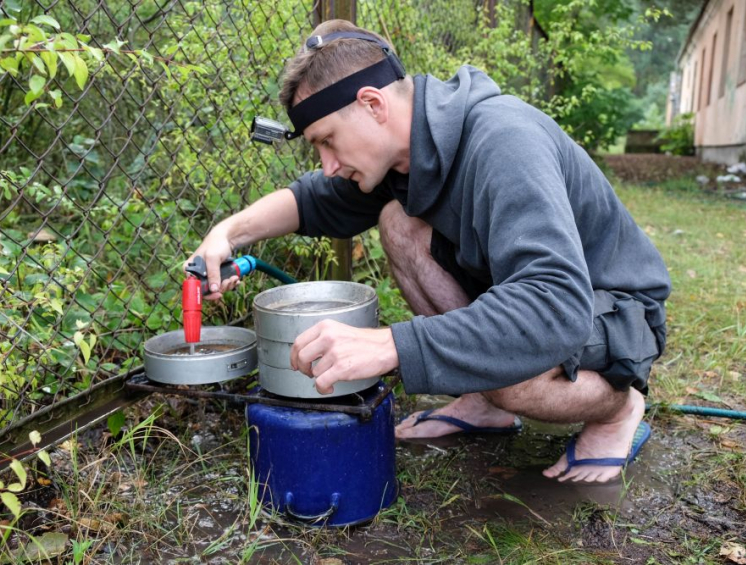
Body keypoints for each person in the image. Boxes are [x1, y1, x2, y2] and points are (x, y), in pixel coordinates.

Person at [189, 19, 671, 484]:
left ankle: (619, 408)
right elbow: (312, 199)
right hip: (542, 300)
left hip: (611, 308)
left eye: (328, 143)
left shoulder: (505, 143)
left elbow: (552, 307)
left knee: (508, 368)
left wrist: (392, 344)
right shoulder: (405, 154)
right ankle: (486, 402)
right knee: (399, 221)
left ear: (373, 103)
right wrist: (229, 232)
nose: (328, 165)